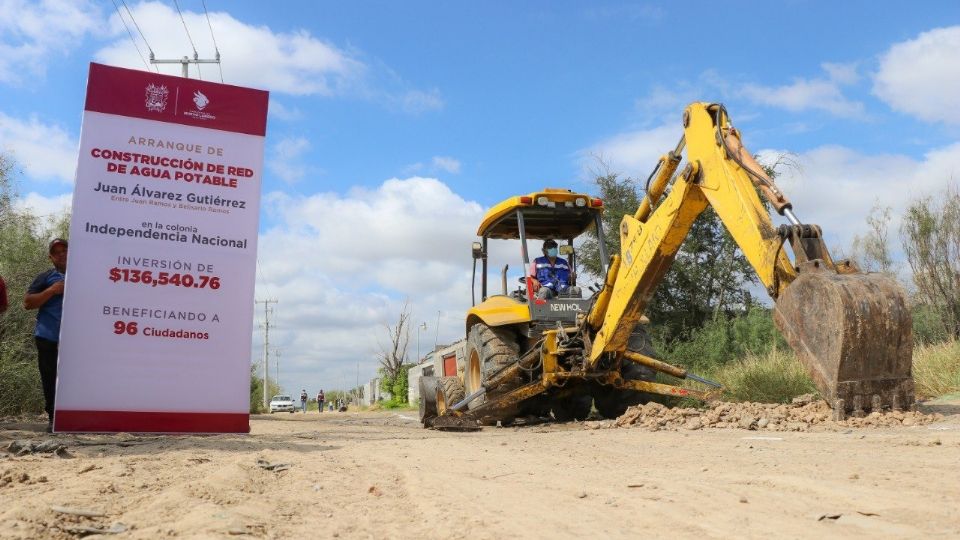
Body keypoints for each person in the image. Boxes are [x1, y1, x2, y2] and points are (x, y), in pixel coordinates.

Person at [24, 238, 68, 432]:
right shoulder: (45, 277)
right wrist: (52, 290)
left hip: (76, 339)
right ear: (50, 257)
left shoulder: (86, 274)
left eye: (65, 250)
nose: (62, 254)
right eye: (56, 252)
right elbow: (28, 303)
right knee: (50, 378)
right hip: (48, 336)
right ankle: (53, 418)